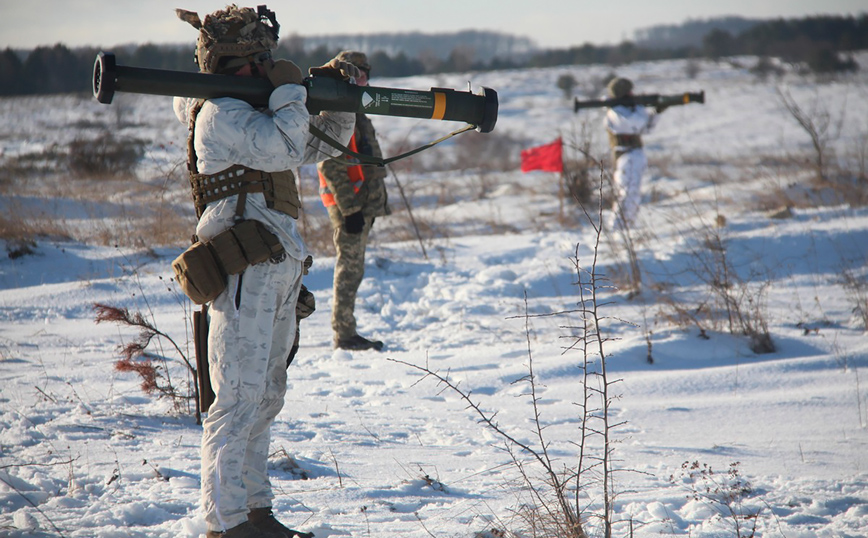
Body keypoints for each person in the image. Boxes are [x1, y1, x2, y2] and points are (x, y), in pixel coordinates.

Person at [173, 5, 358, 538]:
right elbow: (287, 144)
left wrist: (338, 95)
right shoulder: (219, 114)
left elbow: (319, 144)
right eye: (259, 62)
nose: (267, 69)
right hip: (242, 271)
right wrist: (290, 93)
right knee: (235, 400)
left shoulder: (254, 111)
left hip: (274, 268)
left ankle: (256, 512)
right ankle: (225, 523)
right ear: (234, 66)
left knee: (267, 395)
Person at [316, 51, 390, 352]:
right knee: (348, 269)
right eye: (359, 73)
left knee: (354, 269)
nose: (365, 79)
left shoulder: (354, 109)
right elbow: (330, 164)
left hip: (361, 204)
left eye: (366, 73)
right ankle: (344, 334)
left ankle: (346, 331)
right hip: (350, 206)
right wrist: (350, 209)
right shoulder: (336, 111)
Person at [604, 76, 667, 230]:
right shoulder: (616, 112)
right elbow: (635, 124)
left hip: (634, 155)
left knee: (633, 195)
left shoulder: (629, 109)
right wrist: (640, 107)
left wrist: (657, 112)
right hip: (626, 155)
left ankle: (626, 226)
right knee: (626, 194)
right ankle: (616, 228)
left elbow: (647, 128)